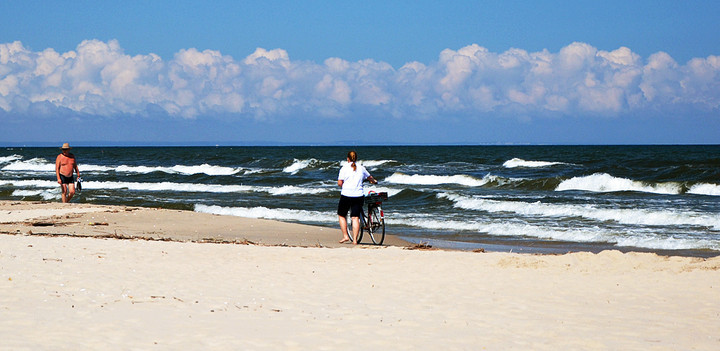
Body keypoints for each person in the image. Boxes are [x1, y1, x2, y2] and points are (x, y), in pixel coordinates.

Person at [337, 151, 377, 244]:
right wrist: (374, 181)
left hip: (346, 195)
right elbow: (370, 177)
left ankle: (346, 236)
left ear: (348, 159)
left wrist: (343, 185)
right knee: (355, 217)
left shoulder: (344, 168)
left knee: (342, 215)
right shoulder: (362, 168)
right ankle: (355, 240)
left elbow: (339, 183)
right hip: (358, 195)